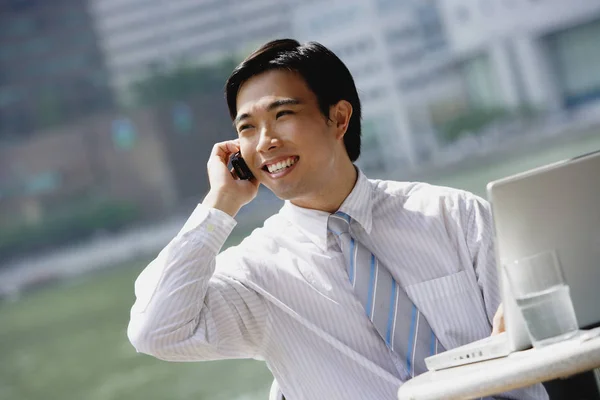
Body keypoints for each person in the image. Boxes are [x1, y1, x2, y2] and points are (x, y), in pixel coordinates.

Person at [127, 39, 548, 400]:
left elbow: (537, 345)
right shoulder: (253, 275)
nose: (266, 141)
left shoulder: (451, 215)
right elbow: (157, 331)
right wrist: (220, 205)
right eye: (248, 128)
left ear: (339, 118)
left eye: (282, 115)